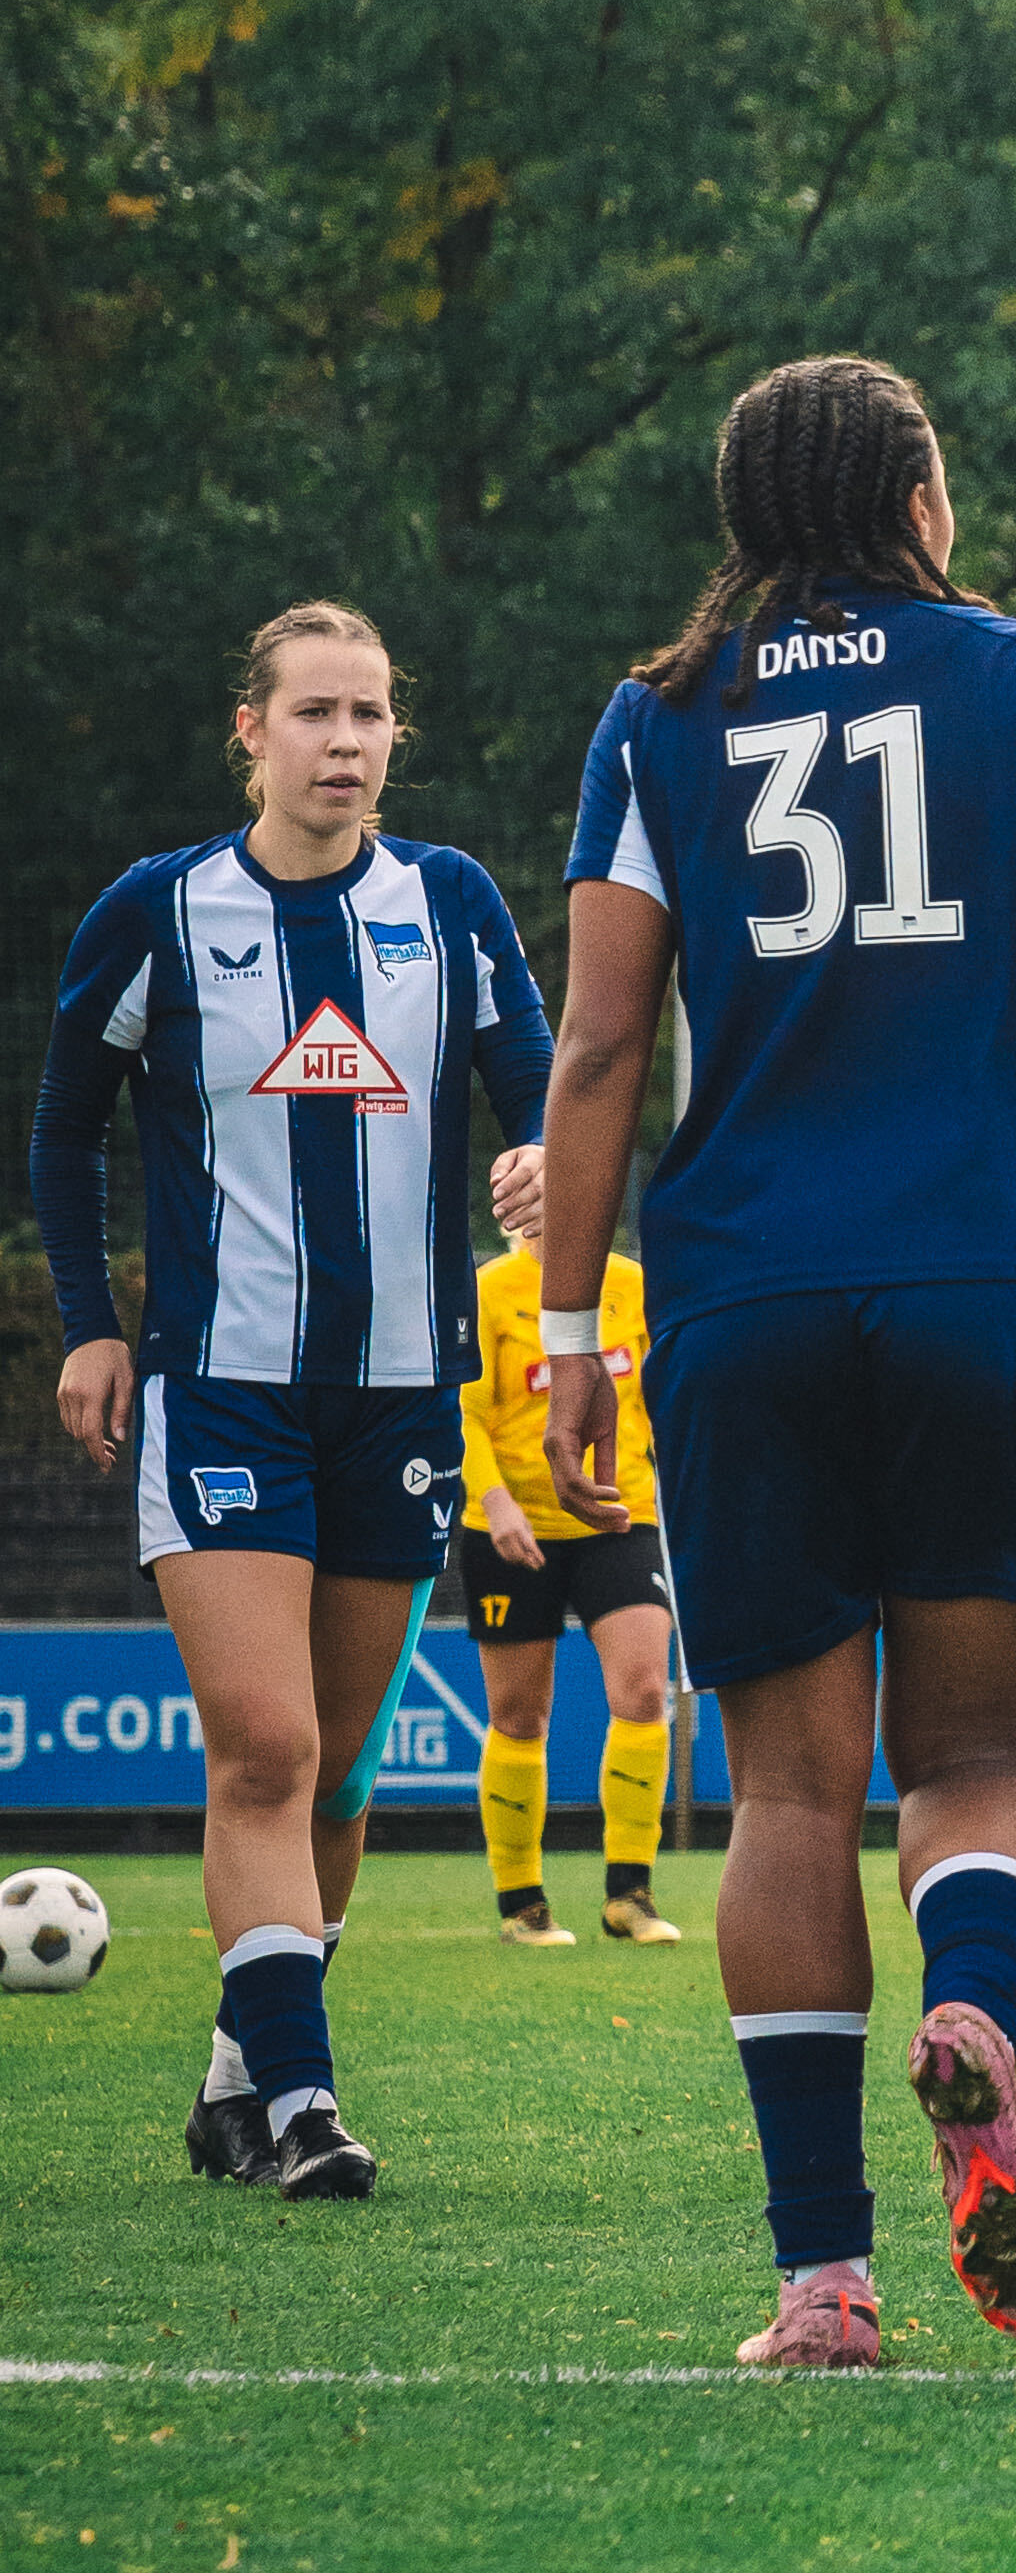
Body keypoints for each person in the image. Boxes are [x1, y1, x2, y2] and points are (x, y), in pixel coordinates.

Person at [530, 353, 1016, 2371]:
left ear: (745, 522)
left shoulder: (654, 718)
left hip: (744, 1289)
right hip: (995, 1275)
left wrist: (575, 1329)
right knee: (978, 1758)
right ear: (919, 496)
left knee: (784, 1792)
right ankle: (978, 2020)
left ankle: (822, 2281)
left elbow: (592, 1050)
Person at [27, 600, 552, 2197]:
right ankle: (307, 2104)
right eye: (315, 712)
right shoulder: (159, 909)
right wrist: (88, 1321)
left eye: (371, 715)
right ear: (248, 730)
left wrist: (542, 1166)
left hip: (400, 1397)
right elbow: (65, 1131)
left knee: (334, 1766)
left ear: (399, 732)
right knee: (263, 1743)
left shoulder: (450, 904)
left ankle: (233, 2079)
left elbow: (539, 1091)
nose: (346, 742)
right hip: (224, 1391)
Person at [456, 1189, 682, 1946]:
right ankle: (522, 1903)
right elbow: (464, 1411)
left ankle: (630, 1893)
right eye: (531, 1197)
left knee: (644, 1688)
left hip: (621, 1515)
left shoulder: (633, 1285)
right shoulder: (487, 1291)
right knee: (520, 1716)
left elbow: (663, 1394)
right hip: (510, 1525)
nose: (549, 1210)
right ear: (508, 1213)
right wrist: (497, 1501)